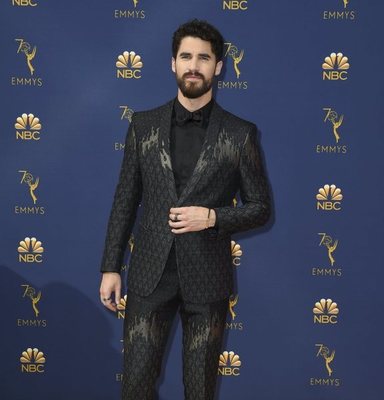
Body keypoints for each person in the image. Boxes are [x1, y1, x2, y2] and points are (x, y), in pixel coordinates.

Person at [99, 19, 271, 400]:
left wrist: (211, 217)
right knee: (136, 385)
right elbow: (125, 199)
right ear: (173, 63)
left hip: (207, 281)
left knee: (200, 390)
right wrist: (111, 266)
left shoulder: (241, 133)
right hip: (148, 275)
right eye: (186, 56)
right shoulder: (142, 126)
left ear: (218, 67)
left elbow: (260, 208)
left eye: (204, 58)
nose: (194, 65)